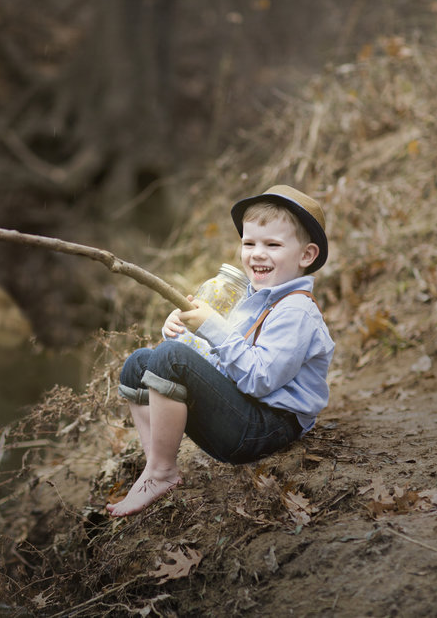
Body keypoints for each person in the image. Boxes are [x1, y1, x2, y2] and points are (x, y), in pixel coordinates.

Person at [107, 185, 335, 517]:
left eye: (272, 244)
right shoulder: (252, 298)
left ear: (306, 256)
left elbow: (259, 379)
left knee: (169, 358)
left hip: (268, 426)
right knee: (140, 363)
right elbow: (218, 358)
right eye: (249, 243)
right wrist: (183, 331)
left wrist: (212, 328)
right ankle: (157, 466)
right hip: (245, 410)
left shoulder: (296, 312)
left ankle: (160, 473)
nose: (257, 253)